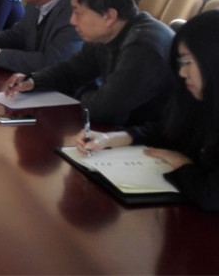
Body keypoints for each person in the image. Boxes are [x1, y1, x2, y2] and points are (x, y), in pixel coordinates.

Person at [75, 11, 219, 210]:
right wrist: (110, 139)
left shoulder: (143, 43)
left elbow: (212, 195)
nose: (182, 72)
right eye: (181, 63)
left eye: (188, 62)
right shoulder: (200, 101)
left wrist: (180, 162)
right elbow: (167, 131)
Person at [5, 0, 175, 125]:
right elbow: (72, 70)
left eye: (78, 13)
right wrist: (34, 81)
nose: (72, 21)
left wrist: (80, 98)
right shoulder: (106, 34)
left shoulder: (143, 47)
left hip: (153, 140)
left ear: (109, 16)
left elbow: (105, 109)